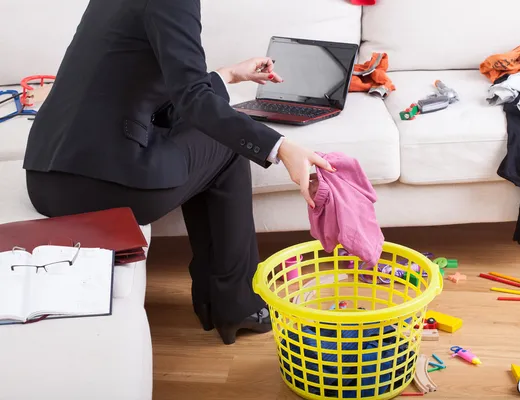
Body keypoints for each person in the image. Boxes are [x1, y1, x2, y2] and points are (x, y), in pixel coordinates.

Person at [22, 0, 334, 345]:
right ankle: (235, 306)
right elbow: (192, 100)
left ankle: (217, 300)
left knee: (212, 129)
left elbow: (132, 84)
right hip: (108, 188)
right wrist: (282, 148)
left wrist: (227, 75)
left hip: (45, 179)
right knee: (230, 139)